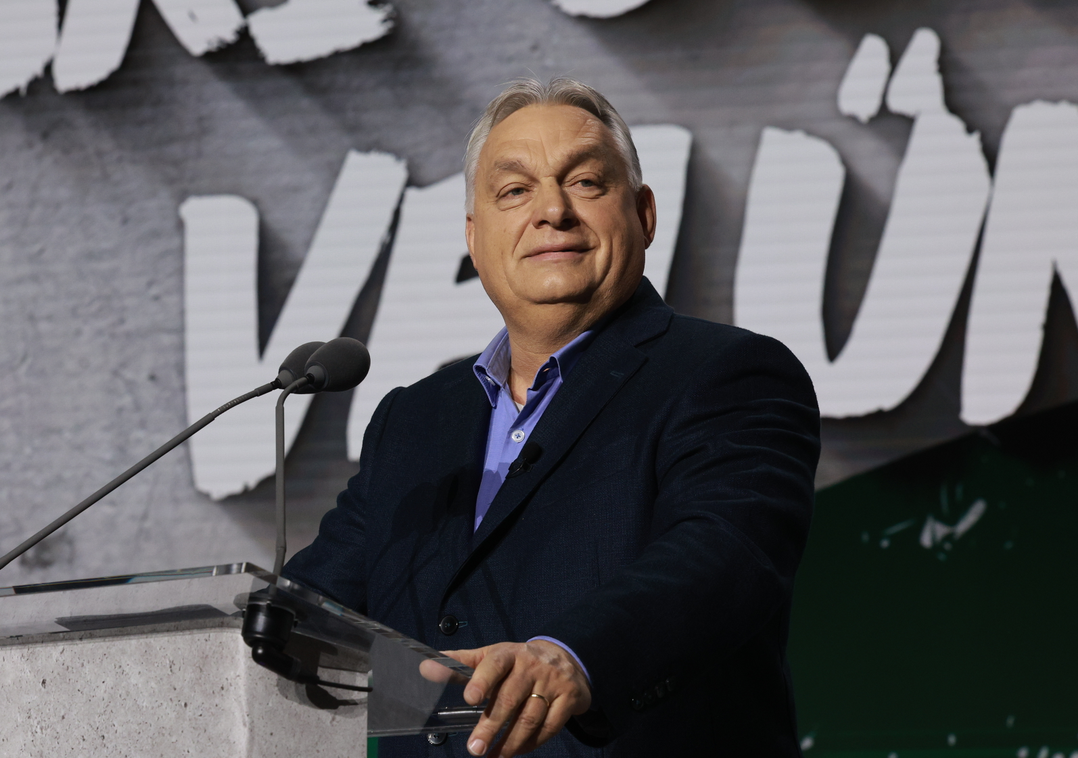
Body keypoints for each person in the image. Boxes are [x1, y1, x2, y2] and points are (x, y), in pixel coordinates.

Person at [282, 77, 820, 757]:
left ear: (644, 214)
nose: (552, 212)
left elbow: (723, 556)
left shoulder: (728, 373)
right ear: (474, 238)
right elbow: (312, 613)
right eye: (514, 191)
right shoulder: (414, 418)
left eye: (586, 183)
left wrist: (573, 655)